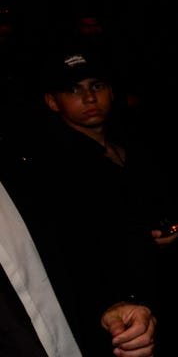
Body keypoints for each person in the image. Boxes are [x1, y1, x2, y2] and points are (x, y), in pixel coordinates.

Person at [1, 50, 159, 356]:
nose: (89, 98)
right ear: (52, 101)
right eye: (74, 90)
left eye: (96, 86)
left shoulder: (137, 146)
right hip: (111, 316)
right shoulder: (51, 170)